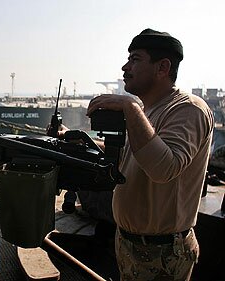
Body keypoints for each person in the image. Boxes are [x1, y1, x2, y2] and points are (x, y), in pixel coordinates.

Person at [61, 28, 214, 280]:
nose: (125, 67)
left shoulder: (188, 109)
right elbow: (129, 155)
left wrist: (130, 108)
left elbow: (164, 168)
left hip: (162, 252)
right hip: (131, 242)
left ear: (162, 67)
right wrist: (72, 139)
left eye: (135, 59)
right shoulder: (148, 110)